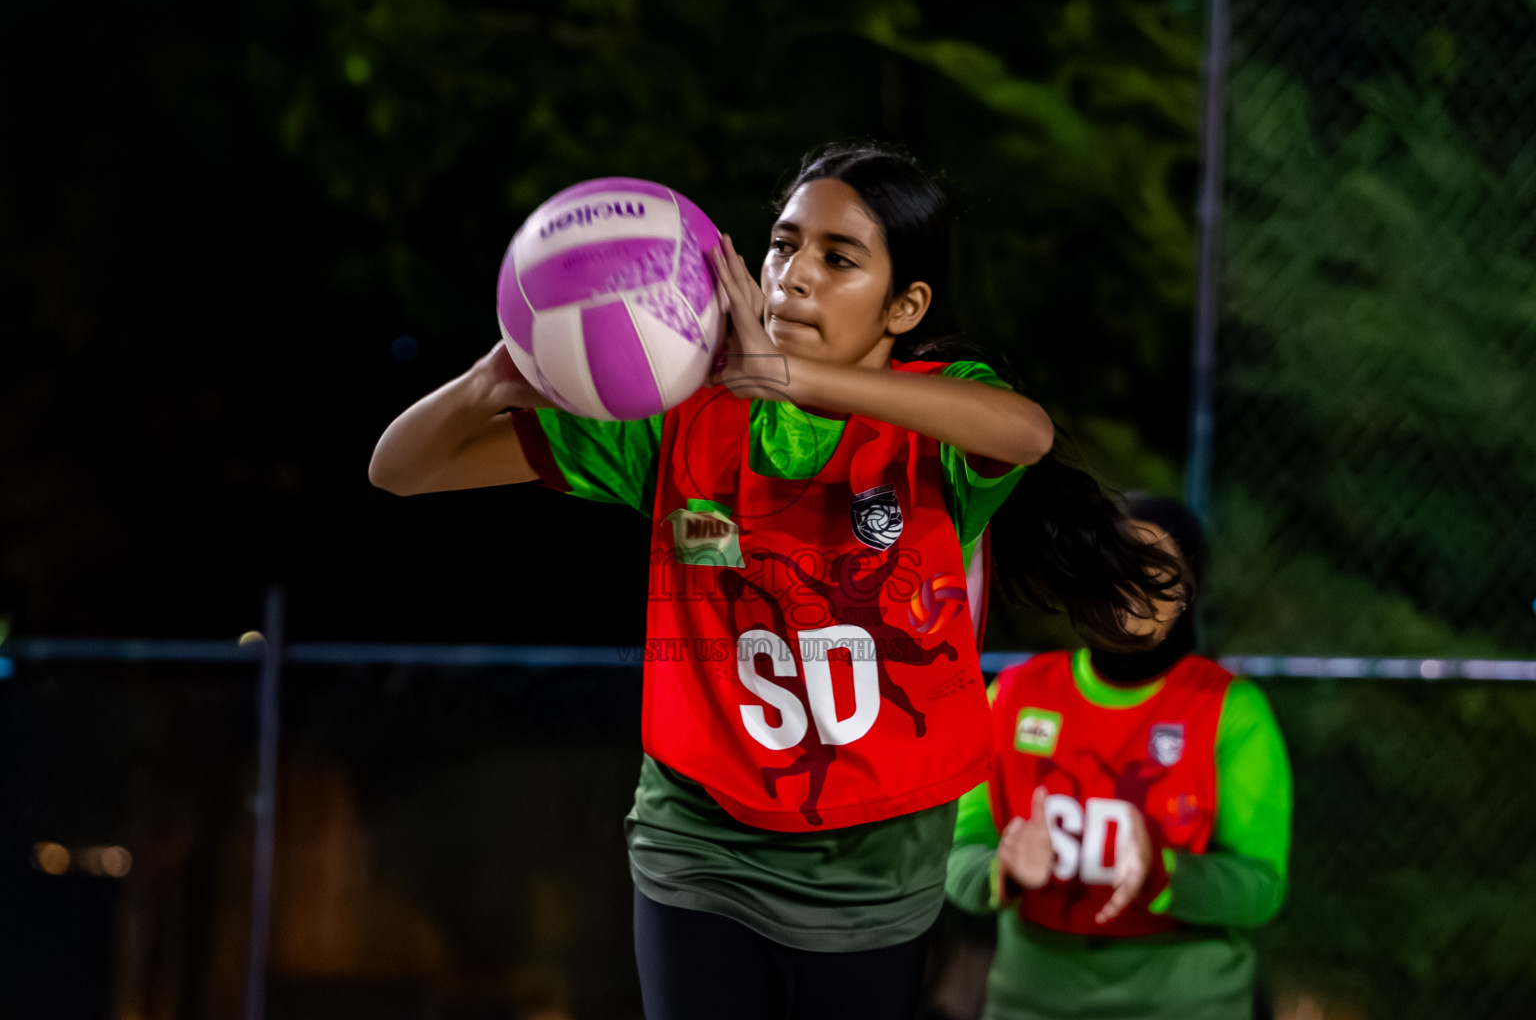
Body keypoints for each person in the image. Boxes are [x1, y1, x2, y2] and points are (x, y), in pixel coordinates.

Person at [370, 140, 1183, 1020]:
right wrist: (490, 376)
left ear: (904, 306)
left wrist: (790, 378)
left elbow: (1025, 433)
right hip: (700, 841)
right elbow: (400, 469)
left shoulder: (934, 418)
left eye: (838, 259)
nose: (795, 275)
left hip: (871, 863)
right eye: (784, 245)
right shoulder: (678, 418)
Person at [946, 494, 1293, 1020]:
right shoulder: (1015, 697)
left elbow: (1260, 889)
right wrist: (1004, 871)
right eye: (1106, 562)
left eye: (1152, 568)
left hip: (1186, 1004)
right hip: (1034, 1000)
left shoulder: (1230, 711)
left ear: (1189, 590)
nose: (1125, 583)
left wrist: (1165, 874)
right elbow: (956, 858)